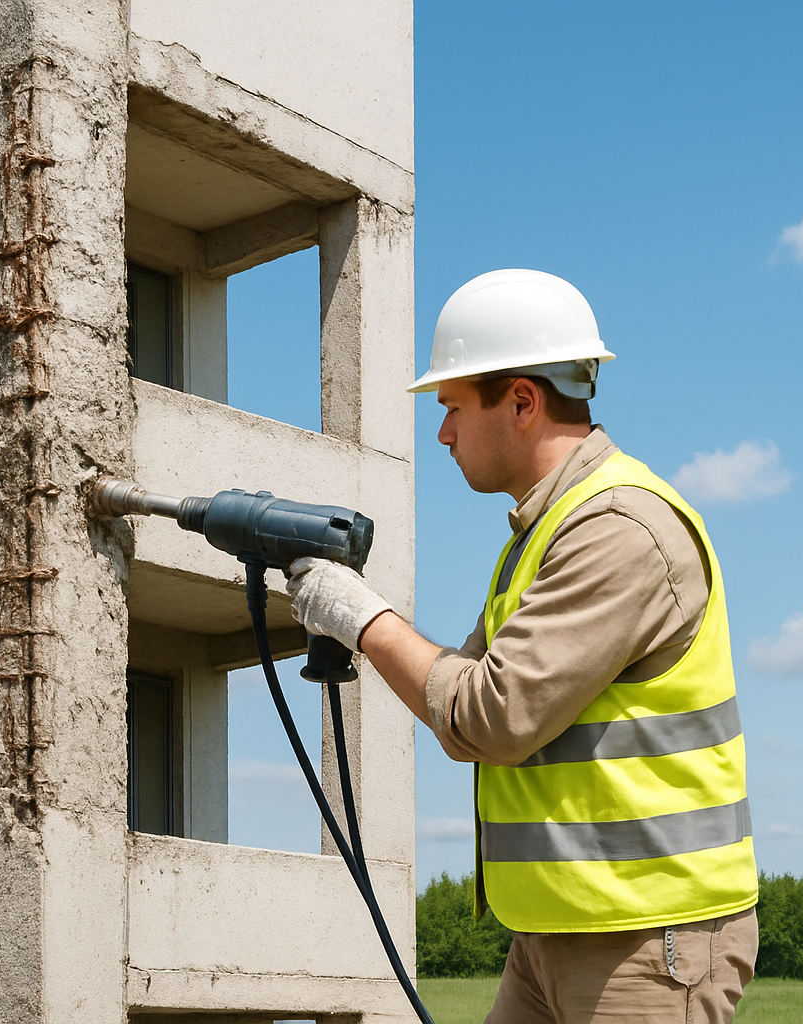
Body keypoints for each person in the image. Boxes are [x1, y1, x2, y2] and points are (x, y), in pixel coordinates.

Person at [286, 269, 758, 1023]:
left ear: (522, 402)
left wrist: (359, 617)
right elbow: (465, 690)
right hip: (557, 931)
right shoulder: (545, 531)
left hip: (645, 936)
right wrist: (359, 618)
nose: (441, 433)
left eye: (450, 408)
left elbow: (488, 716)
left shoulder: (618, 530)